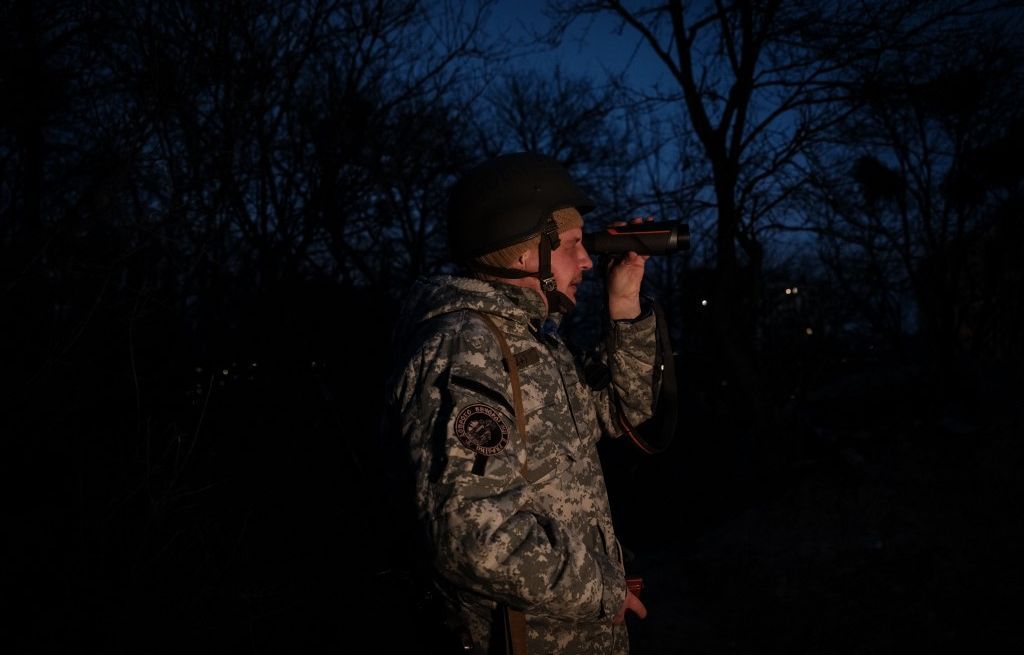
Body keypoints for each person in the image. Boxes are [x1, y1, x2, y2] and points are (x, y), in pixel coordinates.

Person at [381, 152, 670, 654]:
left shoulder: (531, 343)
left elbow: (623, 411)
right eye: (575, 244)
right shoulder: (466, 347)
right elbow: (474, 538)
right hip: (526, 639)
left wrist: (624, 306)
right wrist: (603, 591)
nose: (586, 261)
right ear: (523, 252)